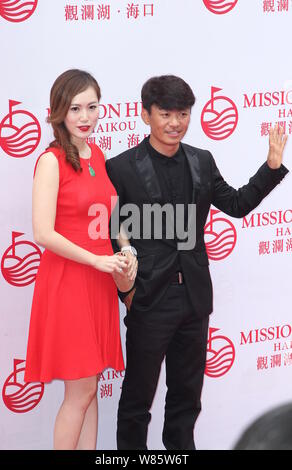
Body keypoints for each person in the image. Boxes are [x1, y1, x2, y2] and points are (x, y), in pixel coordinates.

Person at [105, 75, 289, 450]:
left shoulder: (201, 161)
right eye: (166, 113)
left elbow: (236, 204)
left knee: (186, 401)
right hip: (148, 300)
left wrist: (270, 168)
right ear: (146, 115)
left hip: (194, 299)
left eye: (183, 113)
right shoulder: (121, 168)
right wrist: (127, 291)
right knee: (137, 402)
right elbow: (111, 233)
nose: (175, 122)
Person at [24, 69, 136, 450]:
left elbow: (112, 216)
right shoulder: (51, 161)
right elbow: (43, 232)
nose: (85, 116)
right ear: (58, 112)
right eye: (75, 108)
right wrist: (95, 260)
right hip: (69, 281)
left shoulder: (98, 155)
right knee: (81, 389)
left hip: (99, 279)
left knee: (90, 388)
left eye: (92, 107)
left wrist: (125, 250)